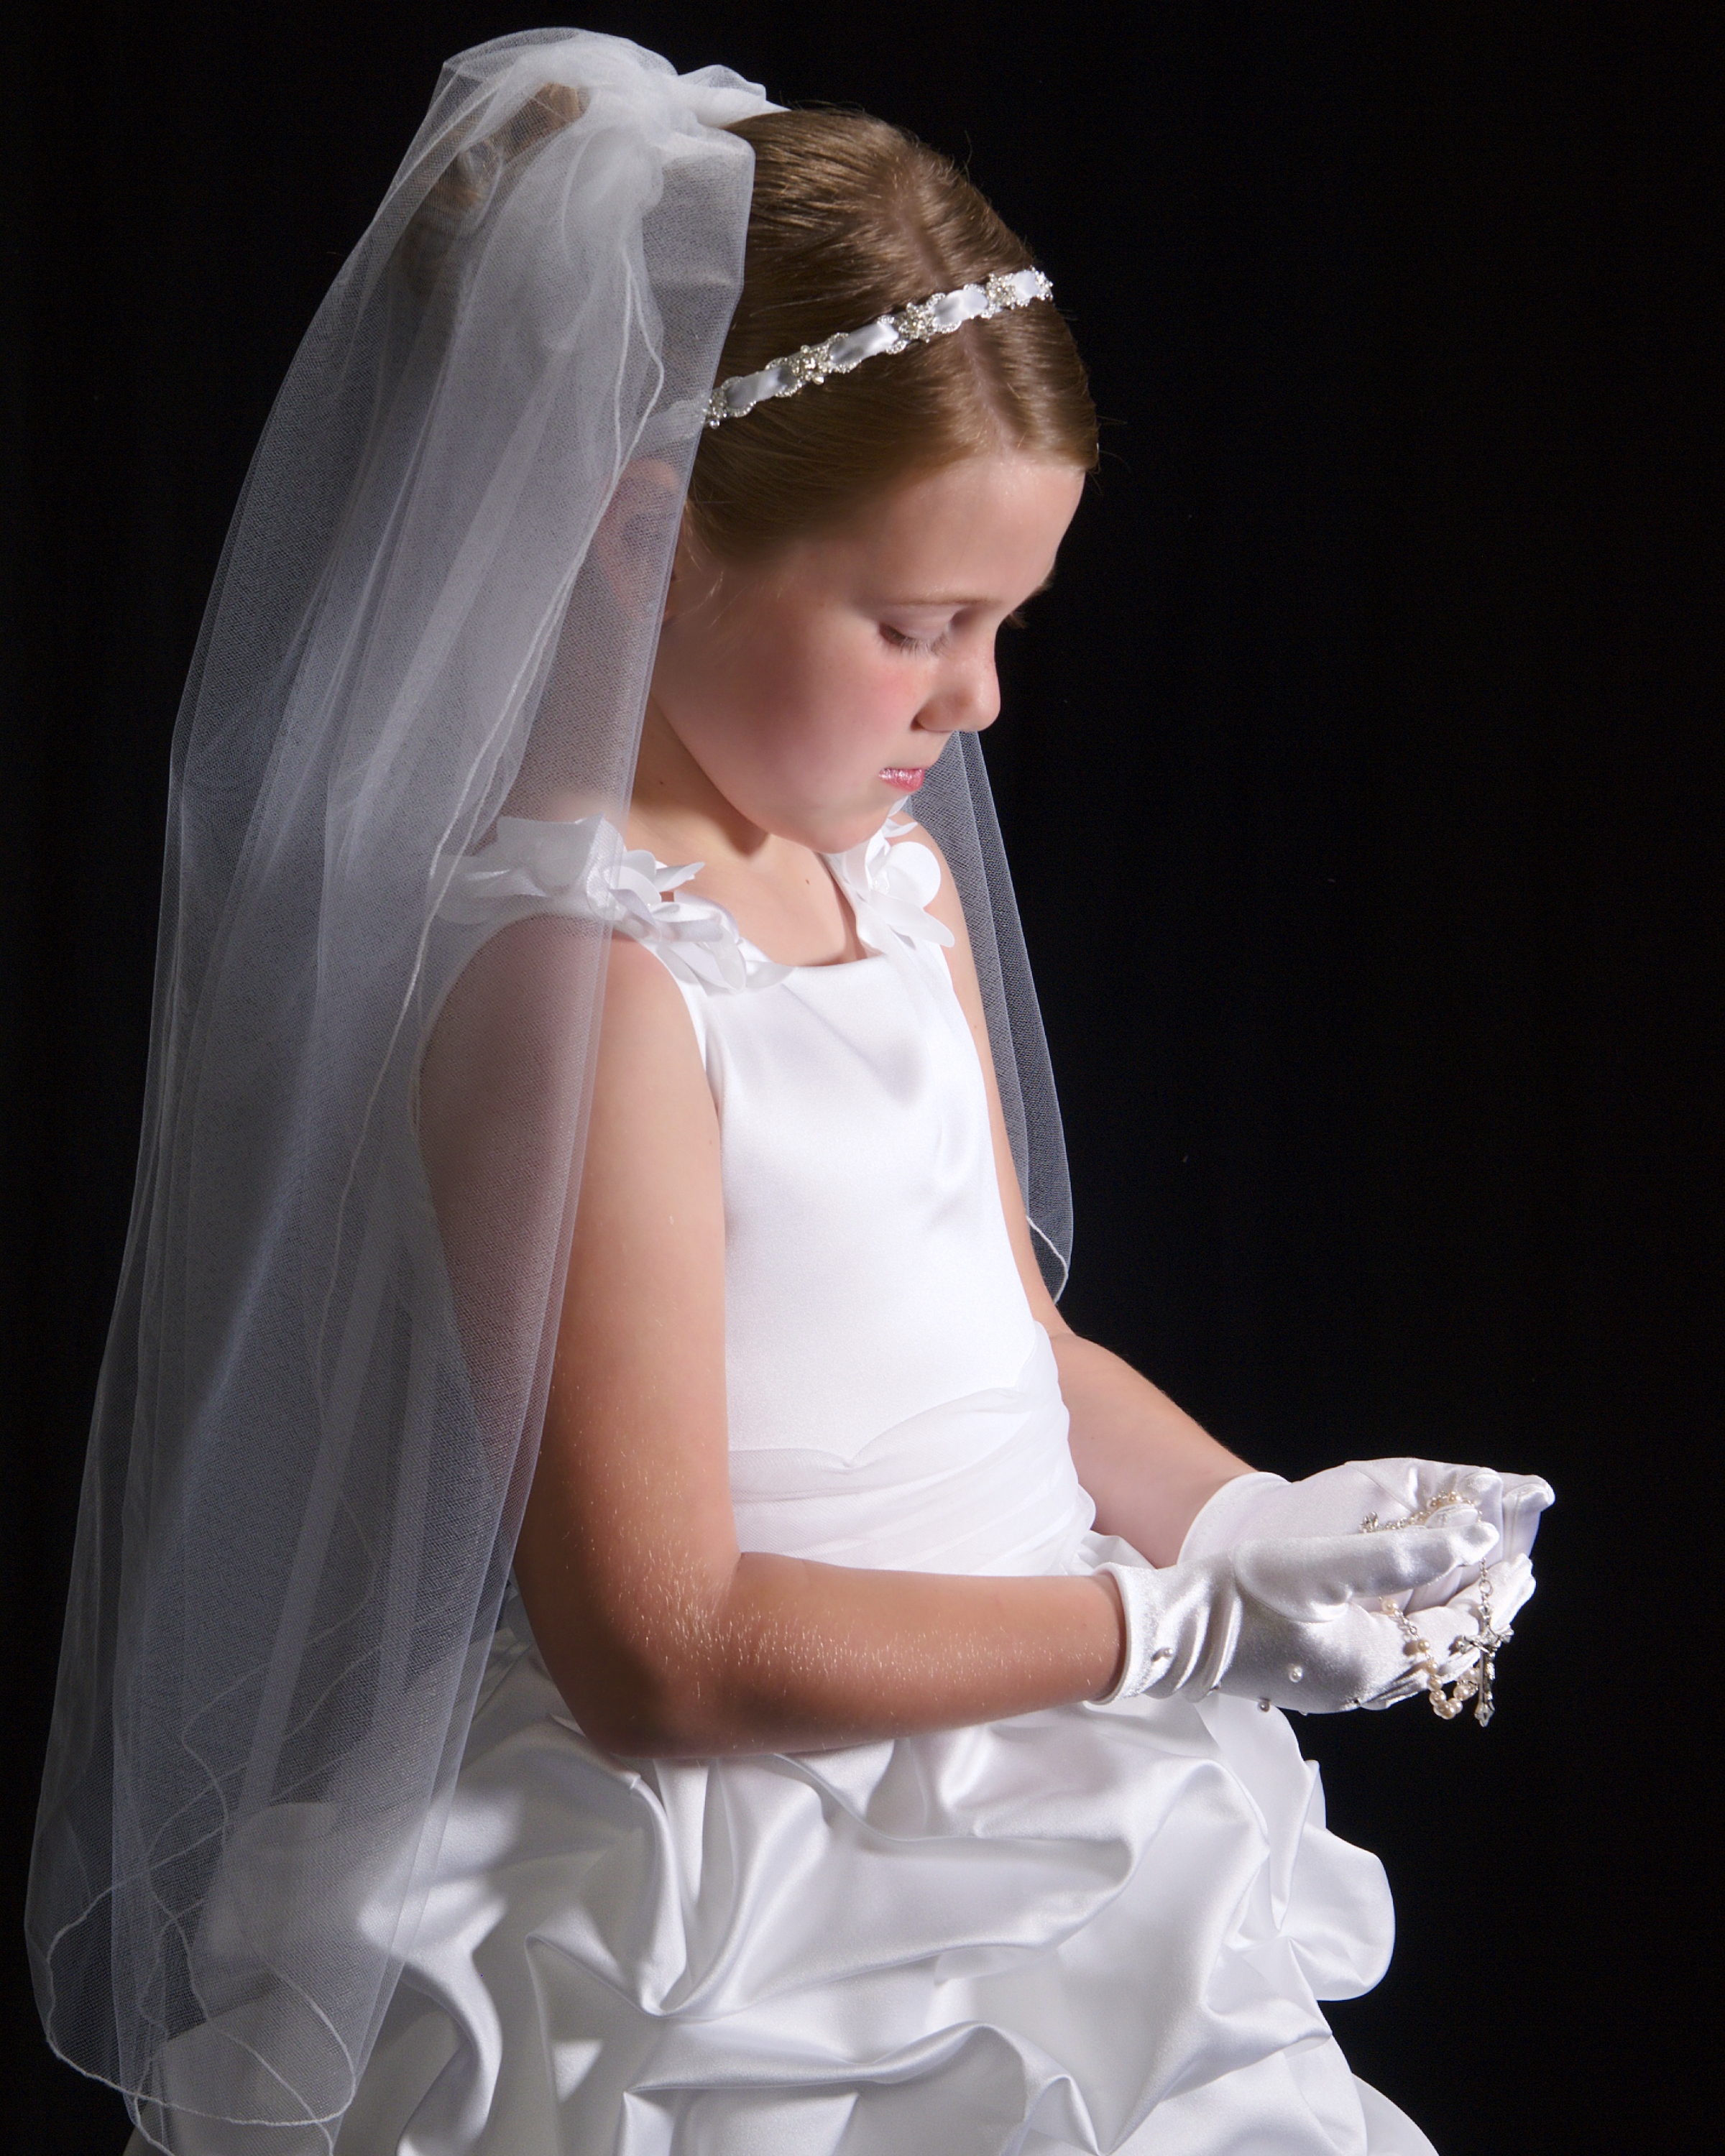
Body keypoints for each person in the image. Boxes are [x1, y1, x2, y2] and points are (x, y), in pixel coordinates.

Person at [30, 30, 1551, 2156]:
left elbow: (1025, 1354)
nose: (979, 697)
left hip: (1064, 1788)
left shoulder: (886, 881)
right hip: (736, 1893)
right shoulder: (583, 986)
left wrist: (1265, 1522)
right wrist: (1176, 1626)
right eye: (921, 623)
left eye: (1007, 623)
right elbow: (659, 1648)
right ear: (650, 539)